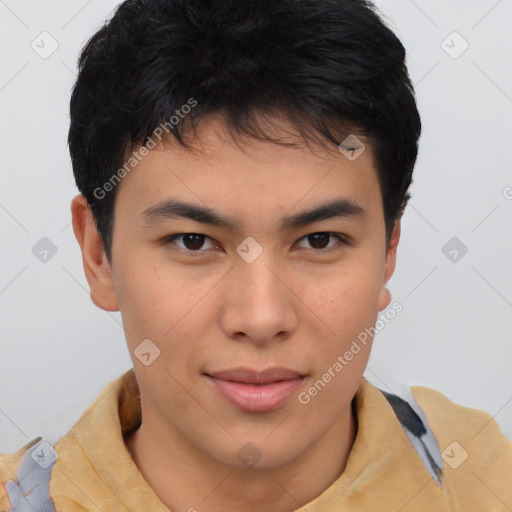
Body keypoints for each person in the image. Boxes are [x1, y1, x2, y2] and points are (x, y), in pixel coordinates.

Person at [1, 0, 511, 510]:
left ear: (388, 250)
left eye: (319, 240)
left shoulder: (490, 479)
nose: (261, 318)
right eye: (193, 241)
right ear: (98, 256)